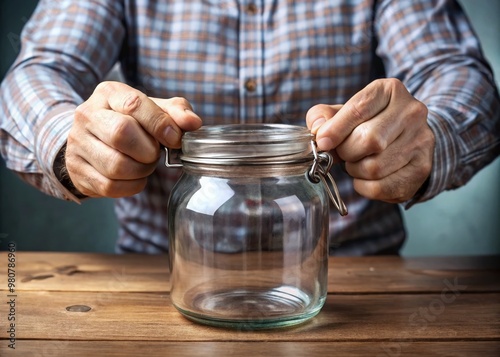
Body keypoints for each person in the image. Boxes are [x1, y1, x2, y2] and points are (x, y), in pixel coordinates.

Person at [0, 0, 499, 255]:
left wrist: (432, 130)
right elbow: (39, 71)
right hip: (155, 275)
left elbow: (455, 70)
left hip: (361, 282)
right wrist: (71, 135)